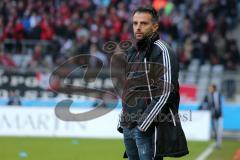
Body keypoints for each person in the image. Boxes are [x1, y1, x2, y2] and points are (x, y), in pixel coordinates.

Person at [117, 6, 189, 160]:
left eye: (143, 23)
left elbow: (166, 92)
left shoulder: (162, 51)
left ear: (155, 26)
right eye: (135, 23)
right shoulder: (132, 52)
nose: (138, 27)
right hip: (129, 126)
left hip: (148, 128)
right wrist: (123, 119)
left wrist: (143, 125)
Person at [203, 84, 223, 149]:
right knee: (214, 129)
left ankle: (218, 143)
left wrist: (217, 112)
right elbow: (205, 102)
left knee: (218, 129)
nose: (209, 89)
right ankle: (216, 142)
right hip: (213, 115)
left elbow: (218, 105)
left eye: (210, 88)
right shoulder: (209, 95)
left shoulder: (217, 94)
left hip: (218, 115)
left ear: (213, 88)